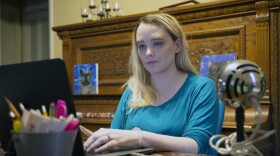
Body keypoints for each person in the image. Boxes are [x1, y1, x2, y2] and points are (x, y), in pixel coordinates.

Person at [80, 13, 220, 155]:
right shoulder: (133, 89)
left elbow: (195, 145)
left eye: (157, 43)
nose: (148, 52)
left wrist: (139, 137)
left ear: (177, 45)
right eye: (141, 46)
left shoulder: (202, 87)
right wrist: (104, 143)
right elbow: (117, 138)